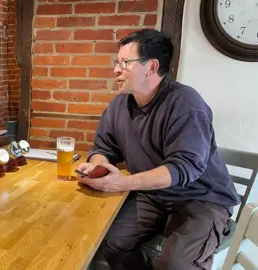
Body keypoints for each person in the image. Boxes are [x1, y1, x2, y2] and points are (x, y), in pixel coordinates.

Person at [76, 29, 240, 270]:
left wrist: (122, 183)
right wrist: (98, 166)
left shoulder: (185, 104)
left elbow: (183, 168)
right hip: (153, 195)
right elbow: (104, 146)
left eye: (124, 63)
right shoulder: (119, 104)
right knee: (112, 243)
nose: (116, 70)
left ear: (151, 67)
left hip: (200, 198)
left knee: (176, 264)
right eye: (116, 62)